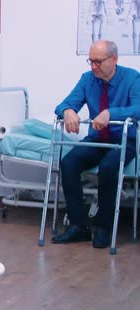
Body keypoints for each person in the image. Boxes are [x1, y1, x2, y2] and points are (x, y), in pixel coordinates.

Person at [52, 40, 140, 248]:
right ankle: (78, 226)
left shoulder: (132, 78)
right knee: (68, 163)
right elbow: (64, 104)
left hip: (124, 139)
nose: (93, 67)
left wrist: (112, 113)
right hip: (97, 138)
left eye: (98, 62)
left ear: (114, 59)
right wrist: (67, 111)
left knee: (108, 168)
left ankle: (105, 227)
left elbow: (138, 108)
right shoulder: (88, 79)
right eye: (90, 61)